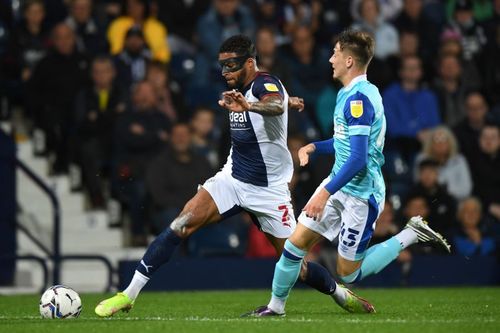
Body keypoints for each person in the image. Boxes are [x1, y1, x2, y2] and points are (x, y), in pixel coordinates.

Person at [95, 34, 365, 317]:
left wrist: (262, 105)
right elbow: (277, 103)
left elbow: (272, 102)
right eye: (222, 66)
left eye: (232, 65)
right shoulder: (243, 89)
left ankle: (340, 294)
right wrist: (286, 101)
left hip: (270, 191)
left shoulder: (264, 83)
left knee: (298, 267)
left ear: (250, 63)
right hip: (233, 179)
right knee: (181, 223)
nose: (225, 72)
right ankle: (128, 294)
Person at [244, 30, 450, 317]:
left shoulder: (360, 100)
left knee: (349, 274)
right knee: (295, 244)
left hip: (361, 193)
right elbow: (344, 143)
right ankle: (275, 307)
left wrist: (323, 194)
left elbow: (358, 158)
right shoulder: (348, 93)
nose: (330, 59)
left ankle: (411, 233)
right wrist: (314, 146)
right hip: (339, 182)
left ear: (349, 60)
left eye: (335, 53)